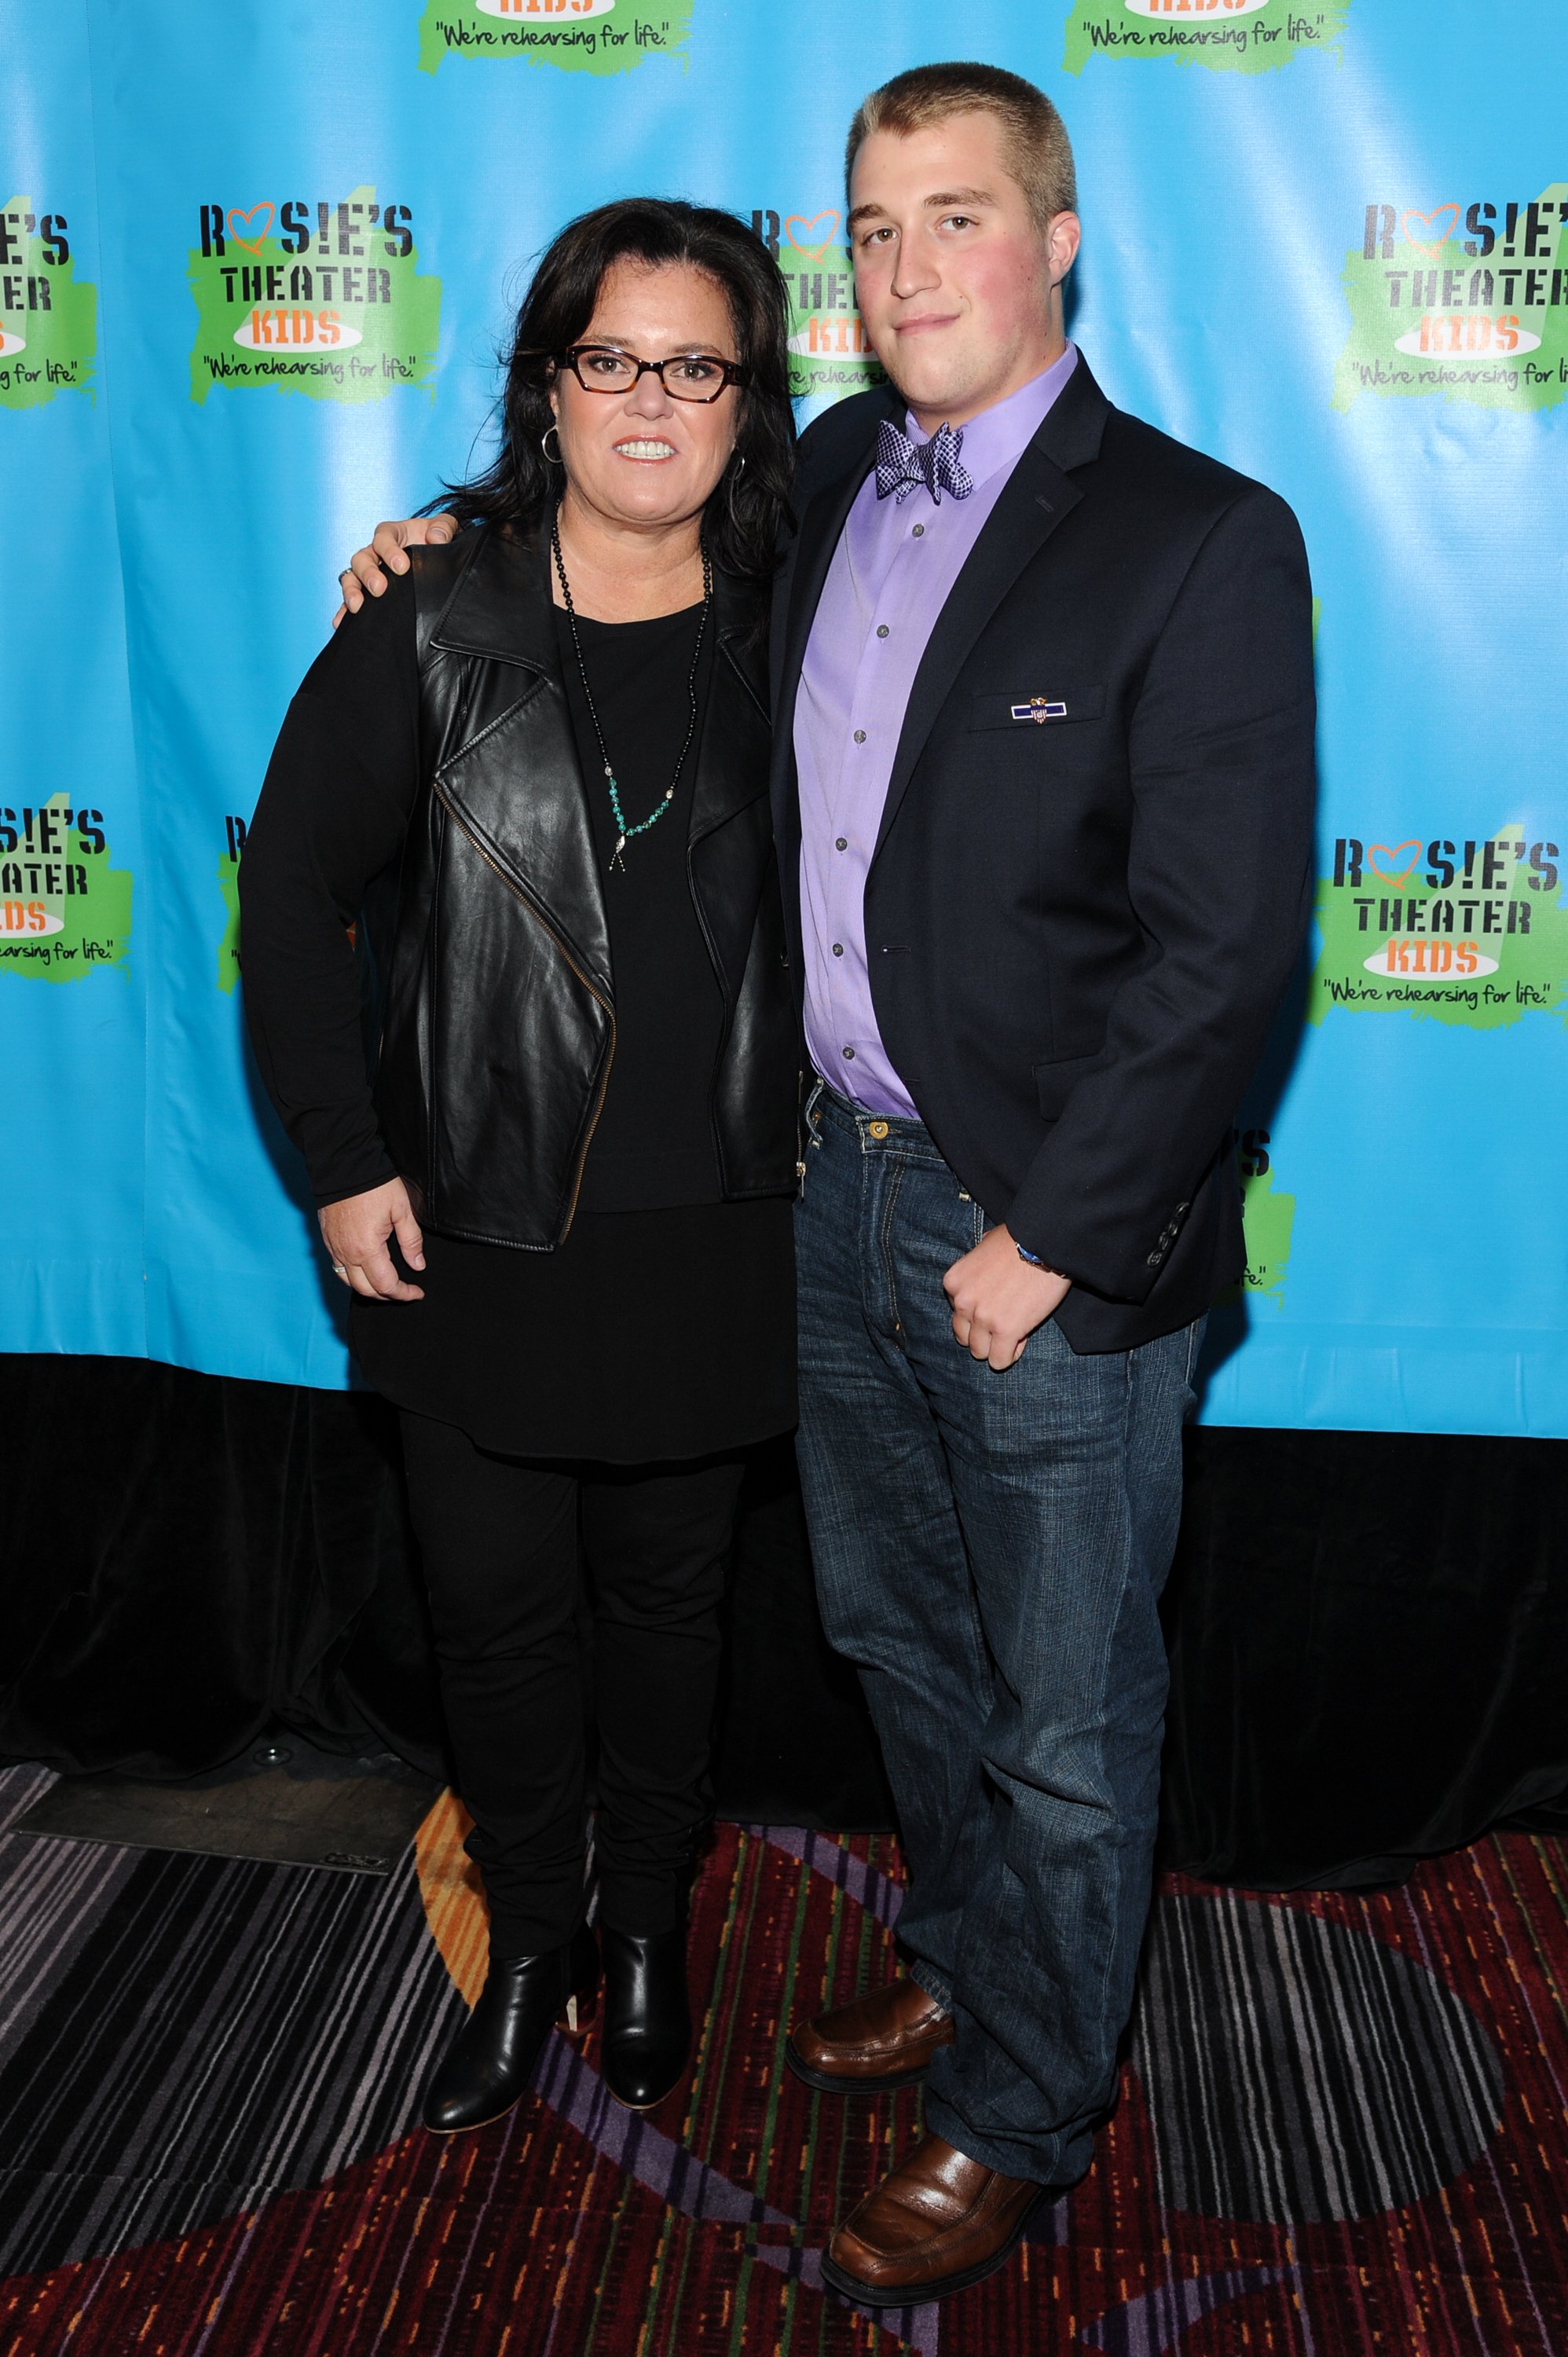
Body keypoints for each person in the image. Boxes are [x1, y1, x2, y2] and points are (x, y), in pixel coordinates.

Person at [343, 60, 1316, 2309]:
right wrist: (436, 550)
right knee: (895, 1638)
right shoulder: (827, 475)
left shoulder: (1196, 535)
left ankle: (1018, 2112)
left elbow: (1222, 952)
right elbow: (613, 495)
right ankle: (975, 1961)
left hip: (1043, 1237)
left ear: (1056, 238)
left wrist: (1054, 1239)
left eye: (955, 220)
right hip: (814, 1201)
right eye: (871, 231)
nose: (905, 272)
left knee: (1068, 1717)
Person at [240, 197, 800, 2135]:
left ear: (748, 398)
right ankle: (533, 1935)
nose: (649, 399)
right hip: (473, 1228)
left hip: (723, 1226)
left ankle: (647, 1924)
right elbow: (291, 888)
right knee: (495, 1619)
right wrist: (337, 1160)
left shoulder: (811, 609)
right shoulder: (430, 613)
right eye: (608, 358)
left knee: (670, 1612)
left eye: (694, 364)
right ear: (545, 384)